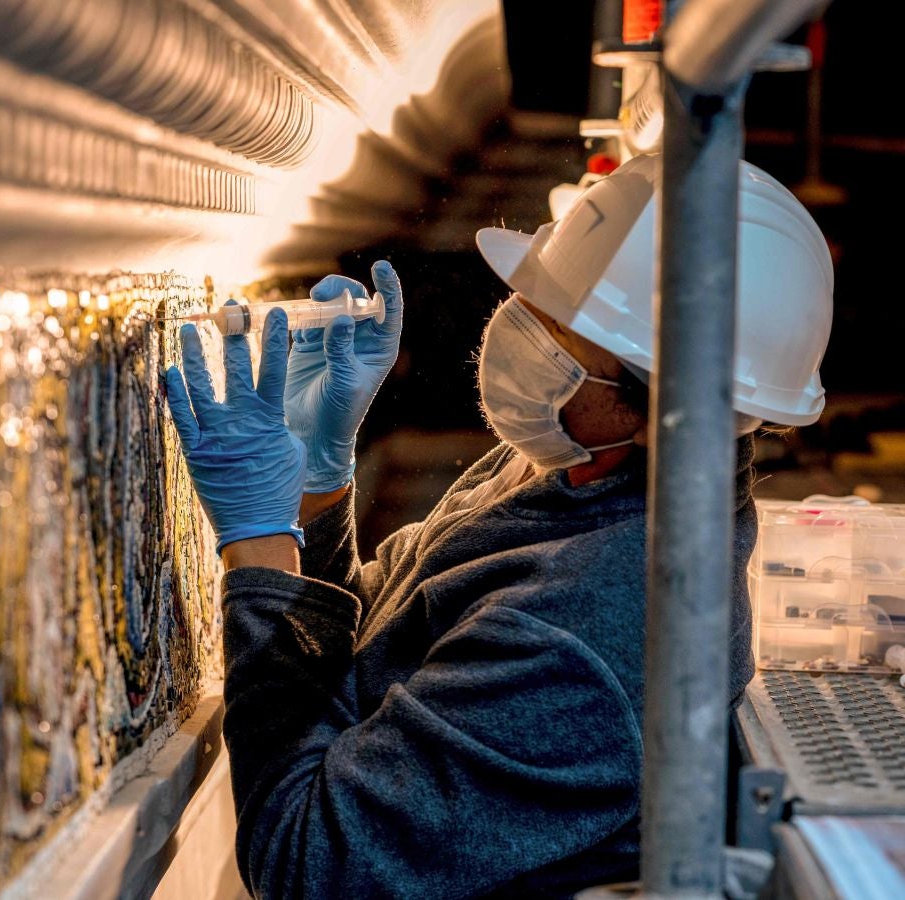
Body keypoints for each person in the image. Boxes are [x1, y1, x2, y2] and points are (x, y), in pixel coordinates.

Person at [163, 154, 833, 899]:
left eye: (561, 332)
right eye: (533, 300)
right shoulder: (566, 471)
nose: (518, 329)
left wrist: (258, 548)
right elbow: (370, 653)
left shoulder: (584, 634)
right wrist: (318, 496)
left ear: (661, 409)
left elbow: (306, 865)